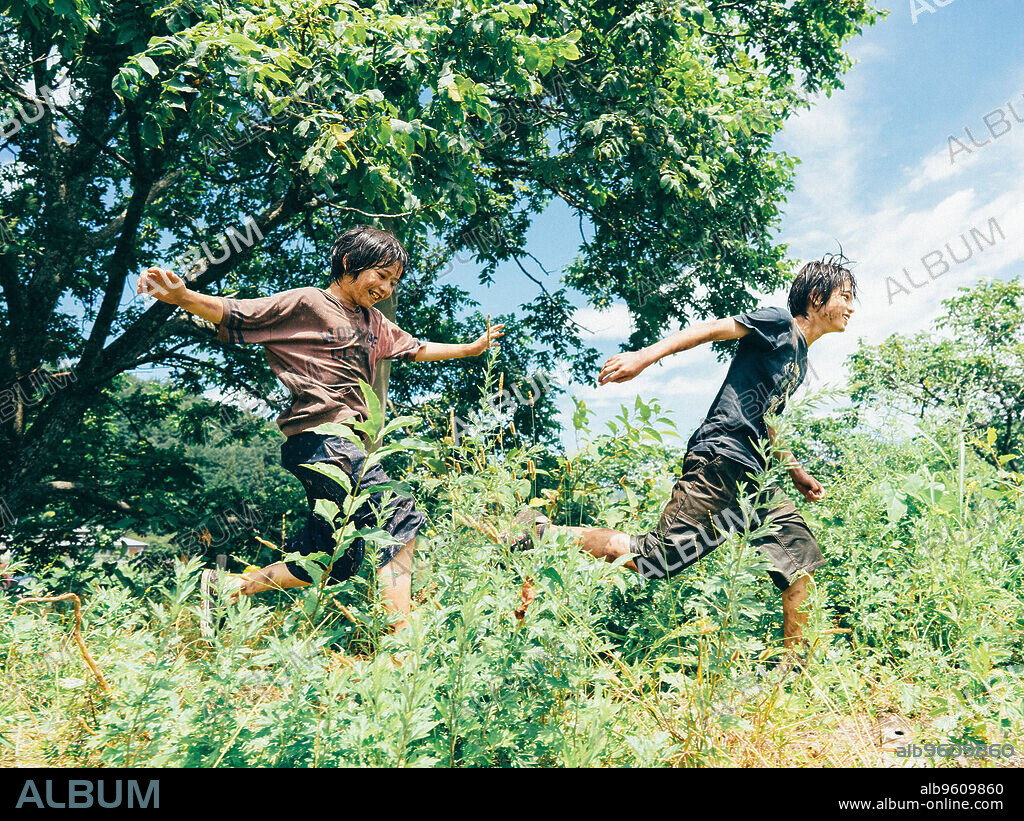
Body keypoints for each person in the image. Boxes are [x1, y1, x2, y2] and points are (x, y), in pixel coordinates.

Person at [138, 226, 503, 634]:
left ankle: (227, 587)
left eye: (394, 281)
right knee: (399, 513)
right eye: (380, 275)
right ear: (349, 263)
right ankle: (401, 642)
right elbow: (239, 312)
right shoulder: (309, 302)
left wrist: (472, 349)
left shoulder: (375, 322)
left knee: (333, 559)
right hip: (322, 441)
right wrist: (182, 296)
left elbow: (415, 348)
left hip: (336, 447)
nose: (386, 287)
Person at [508, 255, 857, 652]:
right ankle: (542, 532)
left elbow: (769, 419)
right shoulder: (778, 323)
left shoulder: (799, 357)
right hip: (722, 459)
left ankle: (793, 674)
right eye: (844, 296)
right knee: (656, 559)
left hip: (756, 477)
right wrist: (643, 357)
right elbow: (713, 330)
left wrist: (795, 471)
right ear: (816, 297)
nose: (851, 307)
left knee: (801, 562)